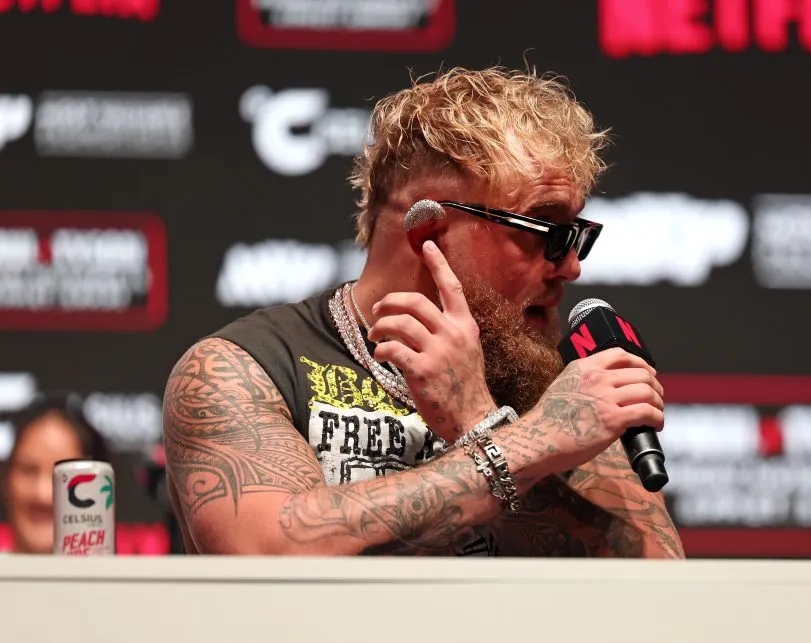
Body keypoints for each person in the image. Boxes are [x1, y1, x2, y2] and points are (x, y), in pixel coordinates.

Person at [162, 66, 685, 558]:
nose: (570, 267)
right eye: (546, 231)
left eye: (578, 236)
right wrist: (527, 442)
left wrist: (480, 419)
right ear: (427, 229)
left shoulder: (553, 382)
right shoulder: (243, 367)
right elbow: (266, 551)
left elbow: (660, 588)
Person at [1, 393, 110, 554]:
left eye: (64, 476)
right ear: (5, 479)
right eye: (28, 471)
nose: (43, 495)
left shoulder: (124, 578)